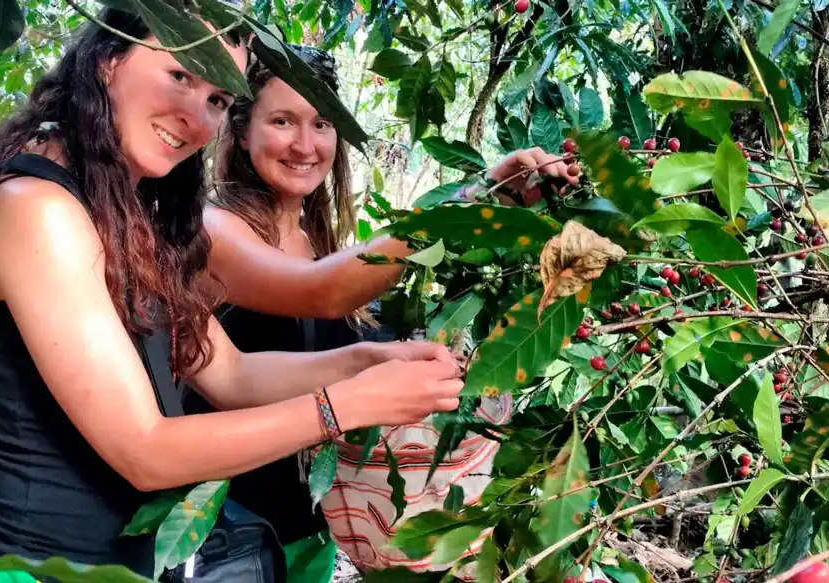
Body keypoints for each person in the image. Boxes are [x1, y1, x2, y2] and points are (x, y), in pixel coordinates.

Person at [0, 11, 463, 583]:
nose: (195, 116)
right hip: (29, 571)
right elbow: (145, 451)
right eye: (181, 75)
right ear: (110, 60)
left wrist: (364, 362)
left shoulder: (126, 215)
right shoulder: (37, 208)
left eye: (216, 99)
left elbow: (230, 374)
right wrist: (346, 407)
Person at [197, 43, 580, 579]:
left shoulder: (320, 238)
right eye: (282, 120)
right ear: (241, 131)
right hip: (223, 532)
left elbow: (345, 324)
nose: (305, 144)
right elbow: (320, 292)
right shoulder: (211, 231)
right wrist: (471, 204)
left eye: (323, 123)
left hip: (311, 531)